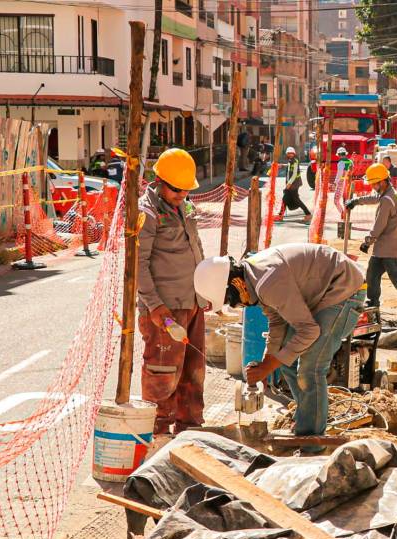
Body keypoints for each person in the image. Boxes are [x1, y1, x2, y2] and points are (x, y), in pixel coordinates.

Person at [193, 244, 366, 449]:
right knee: (285, 361)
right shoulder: (254, 278)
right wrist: (268, 361)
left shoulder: (267, 281)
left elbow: (309, 331)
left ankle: (311, 444)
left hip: (345, 289)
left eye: (233, 301)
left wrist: (270, 365)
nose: (237, 306)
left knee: (310, 369)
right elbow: (277, 321)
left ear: (236, 284)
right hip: (324, 290)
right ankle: (306, 421)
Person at [137, 148, 206, 436]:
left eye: (186, 190)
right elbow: (138, 264)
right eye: (177, 189)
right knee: (162, 374)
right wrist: (155, 307)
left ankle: (190, 430)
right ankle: (158, 433)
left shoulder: (184, 207)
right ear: (159, 180)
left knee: (193, 372)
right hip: (164, 309)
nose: (182, 195)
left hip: (191, 302)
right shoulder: (147, 212)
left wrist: (204, 292)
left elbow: (195, 248)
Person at [346, 163, 397, 322]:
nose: (372, 186)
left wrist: (367, 242)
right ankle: (373, 307)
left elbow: (379, 225)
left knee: (396, 277)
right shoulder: (389, 193)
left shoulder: (387, 200)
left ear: (382, 181)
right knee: (372, 276)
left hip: (387, 248)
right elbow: (373, 198)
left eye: (373, 184)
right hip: (384, 247)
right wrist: (356, 201)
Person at [281, 146, 311, 222]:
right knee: (285, 199)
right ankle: (280, 215)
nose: (290, 155)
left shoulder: (294, 161)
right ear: (287, 154)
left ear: (294, 154)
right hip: (291, 183)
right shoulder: (290, 161)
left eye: (292, 153)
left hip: (294, 184)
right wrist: (281, 166)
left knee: (296, 200)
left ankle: (308, 214)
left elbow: (294, 174)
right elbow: (288, 167)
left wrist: (289, 184)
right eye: (289, 153)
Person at [333, 146, 353, 215]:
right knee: (346, 200)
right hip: (348, 182)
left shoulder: (341, 163)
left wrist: (335, 183)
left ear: (339, 155)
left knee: (336, 201)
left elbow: (339, 174)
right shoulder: (350, 162)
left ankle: (343, 214)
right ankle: (346, 215)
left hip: (341, 182)